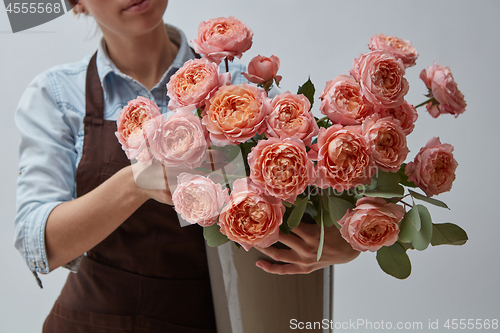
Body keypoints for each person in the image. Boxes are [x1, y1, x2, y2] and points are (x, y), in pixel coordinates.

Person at [14, 0, 359, 331]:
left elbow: (313, 193)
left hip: (213, 319)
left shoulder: (243, 88)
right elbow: (39, 246)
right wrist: (135, 183)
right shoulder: (58, 96)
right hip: (92, 324)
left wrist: (345, 240)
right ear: (77, 3)